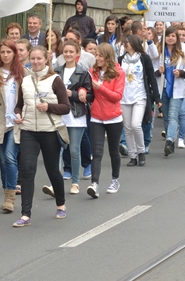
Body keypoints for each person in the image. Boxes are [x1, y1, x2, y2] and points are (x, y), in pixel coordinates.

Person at [11, 46, 69, 225]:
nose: (35, 62)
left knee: (52, 170)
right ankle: (25, 214)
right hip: (29, 131)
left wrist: (48, 107)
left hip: (50, 132)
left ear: (46, 60)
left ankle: (61, 204)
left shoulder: (55, 79)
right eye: (33, 59)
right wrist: (18, 115)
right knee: (27, 170)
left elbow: (65, 107)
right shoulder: (26, 81)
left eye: (39, 59)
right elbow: (19, 105)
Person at [86, 44, 124, 196]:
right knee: (97, 152)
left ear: (108, 57)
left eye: (100, 56)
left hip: (114, 117)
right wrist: (83, 91)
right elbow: (88, 90)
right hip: (96, 117)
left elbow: (117, 96)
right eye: (96, 55)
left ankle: (115, 180)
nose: (97, 58)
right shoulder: (92, 72)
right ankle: (94, 184)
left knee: (114, 151)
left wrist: (100, 87)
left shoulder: (119, 73)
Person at [56, 40, 92, 192]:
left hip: (76, 114)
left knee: (73, 149)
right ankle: (56, 183)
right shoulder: (56, 71)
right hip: (58, 114)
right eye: (65, 51)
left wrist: (74, 94)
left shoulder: (83, 72)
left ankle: (75, 182)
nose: (68, 54)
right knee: (57, 150)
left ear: (77, 54)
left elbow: (90, 96)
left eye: (71, 52)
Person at [0, 40, 22, 213]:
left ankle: (10, 198)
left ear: (14, 54)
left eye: (8, 52)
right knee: (3, 160)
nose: (5, 55)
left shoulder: (21, 73)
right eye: (2, 52)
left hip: (16, 122)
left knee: (10, 158)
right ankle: (6, 190)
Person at [119, 34, 158, 166]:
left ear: (135, 44)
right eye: (124, 42)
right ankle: (132, 155)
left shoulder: (144, 58)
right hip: (124, 97)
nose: (126, 44)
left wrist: (157, 97)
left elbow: (151, 78)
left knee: (136, 124)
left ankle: (141, 151)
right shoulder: (121, 60)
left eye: (128, 42)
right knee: (128, 128)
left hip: (140, 96)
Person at [158, 27, 185, 157]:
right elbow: (154, 68)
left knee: (173, 115)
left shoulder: (182, 52)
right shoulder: (161, 51)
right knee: (166, 117)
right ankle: (170, 140)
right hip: (164, 87)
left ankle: (169, 140)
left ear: (177, 38)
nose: (170, 38)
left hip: (177, 88)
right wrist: (159, 71)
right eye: (168, 36)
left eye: (173, 36)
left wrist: (181, 73)